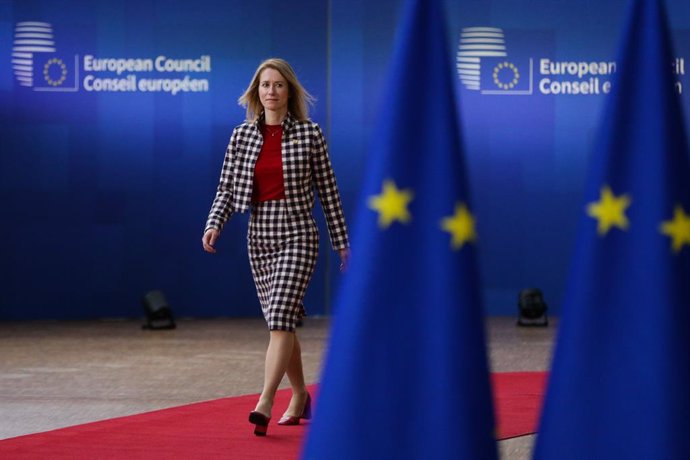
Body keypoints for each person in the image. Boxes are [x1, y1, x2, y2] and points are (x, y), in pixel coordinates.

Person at [201, 58, 350, 436]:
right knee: (280, 323)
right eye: (265, 85)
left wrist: (342, 243)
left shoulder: (310, 134)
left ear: (290, 92)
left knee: (281, 315)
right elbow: (226, 188)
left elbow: (328, 191)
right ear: (256, 92)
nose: (271, 91)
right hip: (259, 237)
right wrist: (214, 223)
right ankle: (300, 395)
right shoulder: (241, 136)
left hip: (299, 233)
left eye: (279, 85)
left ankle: (265, 400)